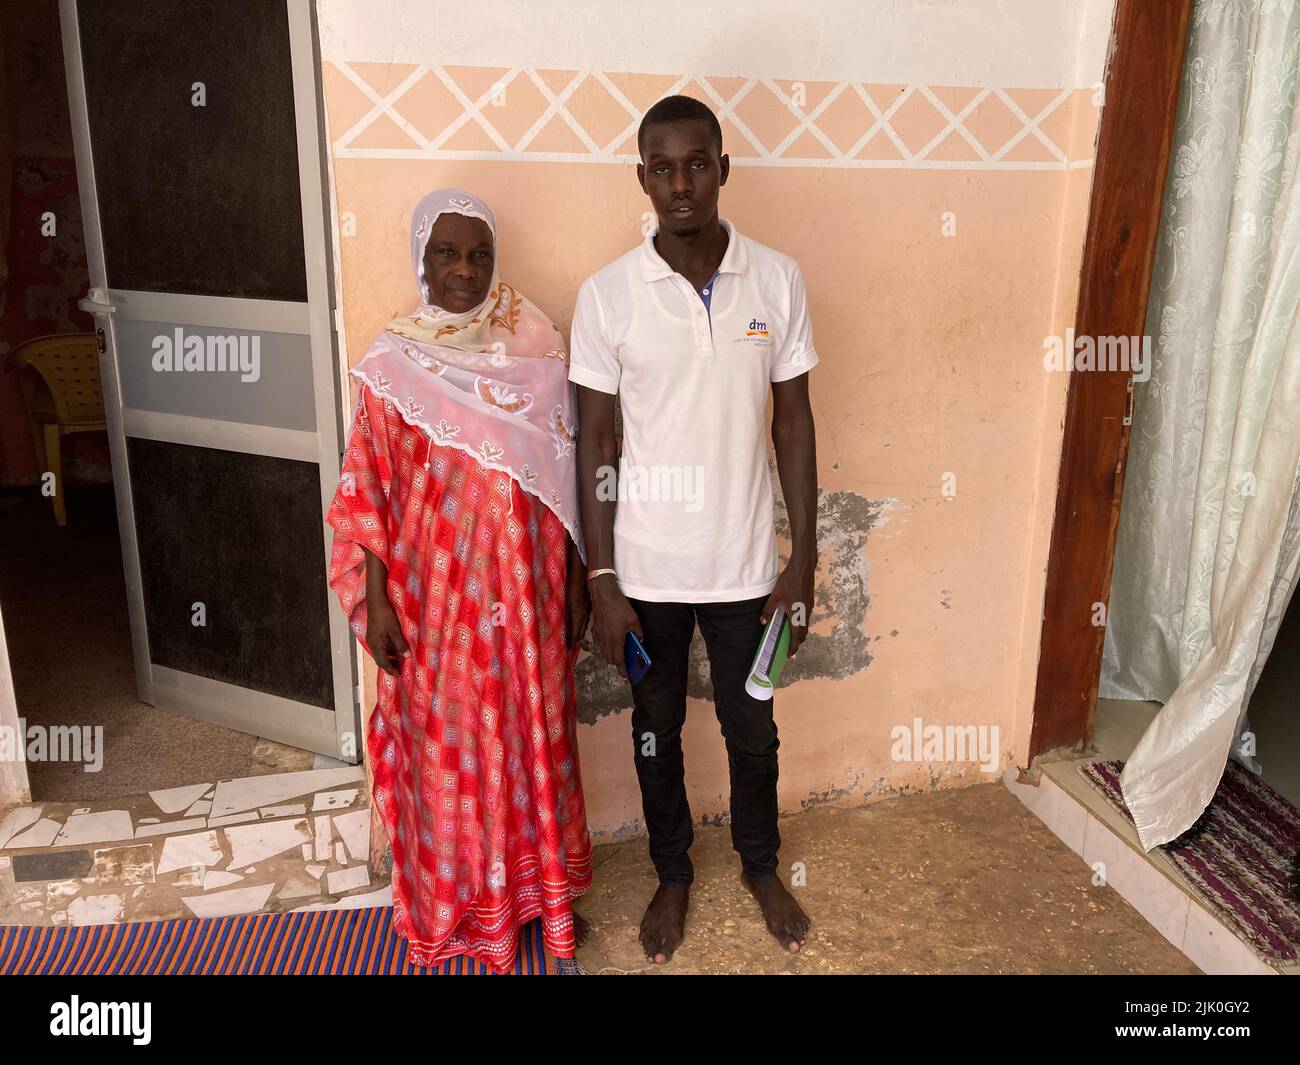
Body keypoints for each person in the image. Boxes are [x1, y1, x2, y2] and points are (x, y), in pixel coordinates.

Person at [568, 96, 819, 963]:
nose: (681, 183)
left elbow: (794, 423)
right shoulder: (607, 296)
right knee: (656, 726)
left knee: (753, 728)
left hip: (748, 567)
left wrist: (803, 559)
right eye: (663, 168)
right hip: (646, 571)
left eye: (697, 163)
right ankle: (672, 872)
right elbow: (596, 440)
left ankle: (760, 864)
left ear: (723, 167)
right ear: (643, 178)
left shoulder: (777, 279)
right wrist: (603, 579)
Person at [326, 189, 592, 972]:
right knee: (454, 752)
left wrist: (576, 583)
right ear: (422, 259)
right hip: (435, 604)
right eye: (447, 254)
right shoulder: (390, 363)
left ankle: (541, 896)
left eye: (479, 254)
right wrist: (376, 598)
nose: (464, 271)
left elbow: (568, 479)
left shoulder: (536, 347)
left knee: (527, 735)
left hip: (529, 591)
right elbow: (369, 486)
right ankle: (463, 907)